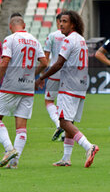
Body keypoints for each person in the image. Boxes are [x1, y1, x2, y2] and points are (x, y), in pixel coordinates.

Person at [36, 10, 99, 167]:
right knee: (68, 120)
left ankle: (88, 146)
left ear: (73, 24)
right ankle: (66, 158)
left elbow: (58, 63)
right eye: (60, 21)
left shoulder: (69, 40)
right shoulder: (81, 40)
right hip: (80, 84)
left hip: (69, 85)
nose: (61, 24)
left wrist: (41, 77)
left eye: (65, 21)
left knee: (63, 121)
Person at [0, 15, 47, 169]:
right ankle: (14, 163)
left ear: (10, 26)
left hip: (10, 85)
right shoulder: (34, 40)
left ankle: (9, 149)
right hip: (27, 87)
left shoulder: (11, 38)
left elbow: (5, 60)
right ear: (24, 25)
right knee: (21, 126)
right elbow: (44, 62)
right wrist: (32, 75)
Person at [43, 13, 66, 141]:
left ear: (58, 22)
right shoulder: (72, 36)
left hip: (54, 72)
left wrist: (42, 75)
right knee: (64, 102)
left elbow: (45, 59)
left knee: (49, 101)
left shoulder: (52, 36)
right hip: (68, 74)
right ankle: (64, 133)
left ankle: (58, 125)